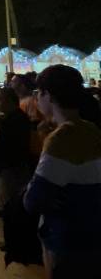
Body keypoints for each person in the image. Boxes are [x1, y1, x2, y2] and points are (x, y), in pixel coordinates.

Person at [24, 65, 101, 278]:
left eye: (38, 93)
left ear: (48, 95)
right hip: (92, 234)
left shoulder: (62, 138)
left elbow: (33, 199)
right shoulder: (91, 129)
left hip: (67, 239)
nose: (37, 99)